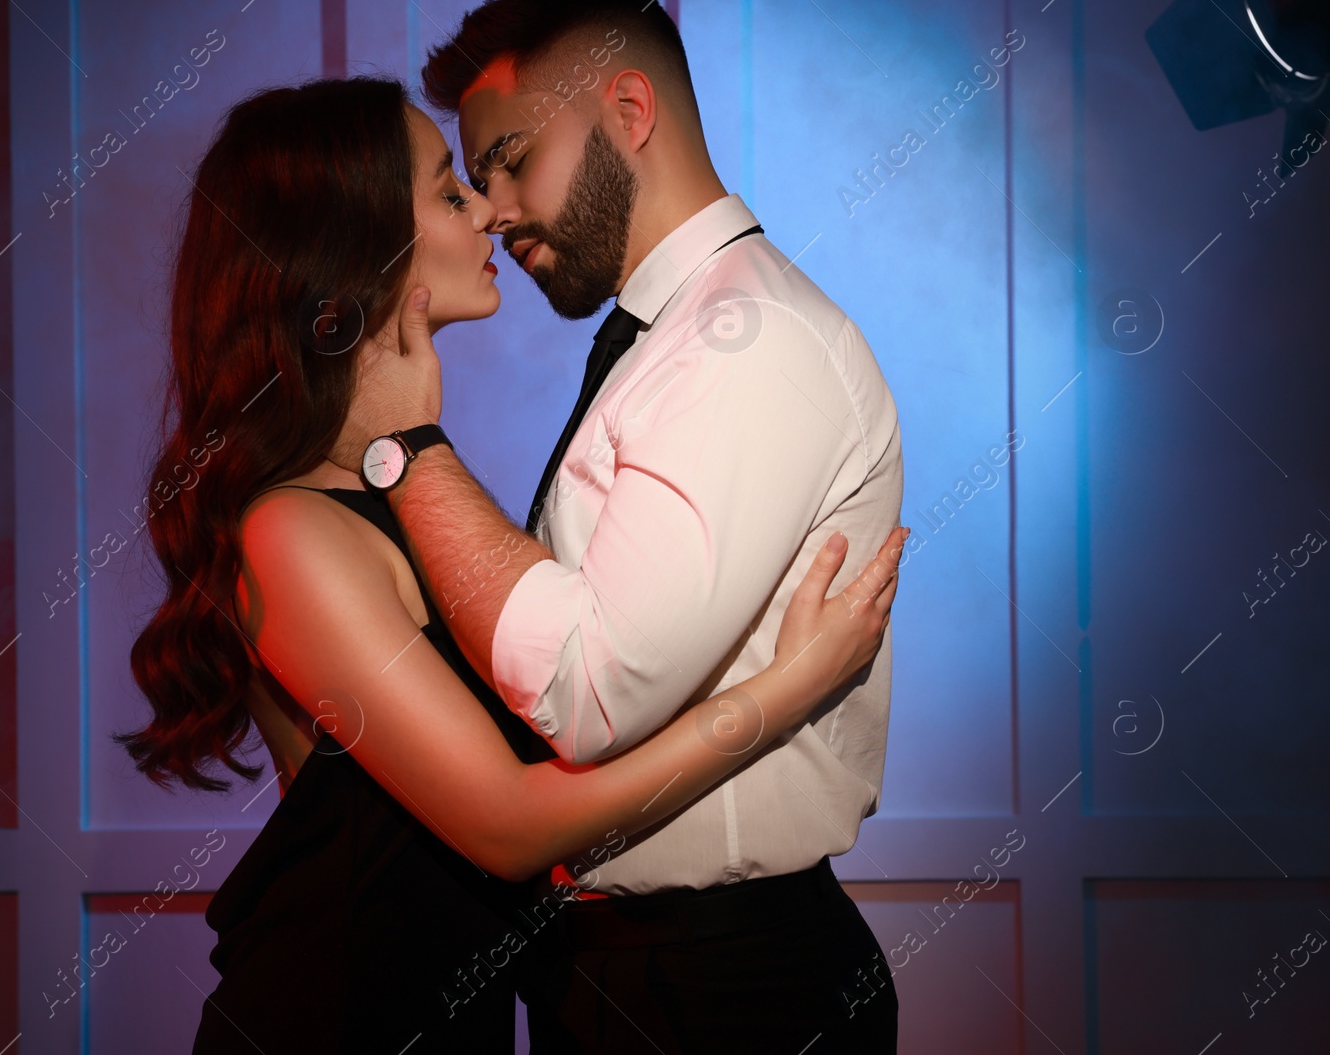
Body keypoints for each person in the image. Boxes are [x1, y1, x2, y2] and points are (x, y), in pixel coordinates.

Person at [113, 75, 906, 1054]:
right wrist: (786, 693)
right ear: (355, 244)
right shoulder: (294, 530)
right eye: (451, 191)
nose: (489, 210)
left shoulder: (396, 484)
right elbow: (512, 825)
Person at [328, 0, 907, 1051]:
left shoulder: (746, 341)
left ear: (628, 109)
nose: (493, 207)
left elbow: (585, 693)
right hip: (642, 973)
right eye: (472, 179)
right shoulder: (674, 337)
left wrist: (404, 449)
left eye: (507, 159)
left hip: (722, 990)